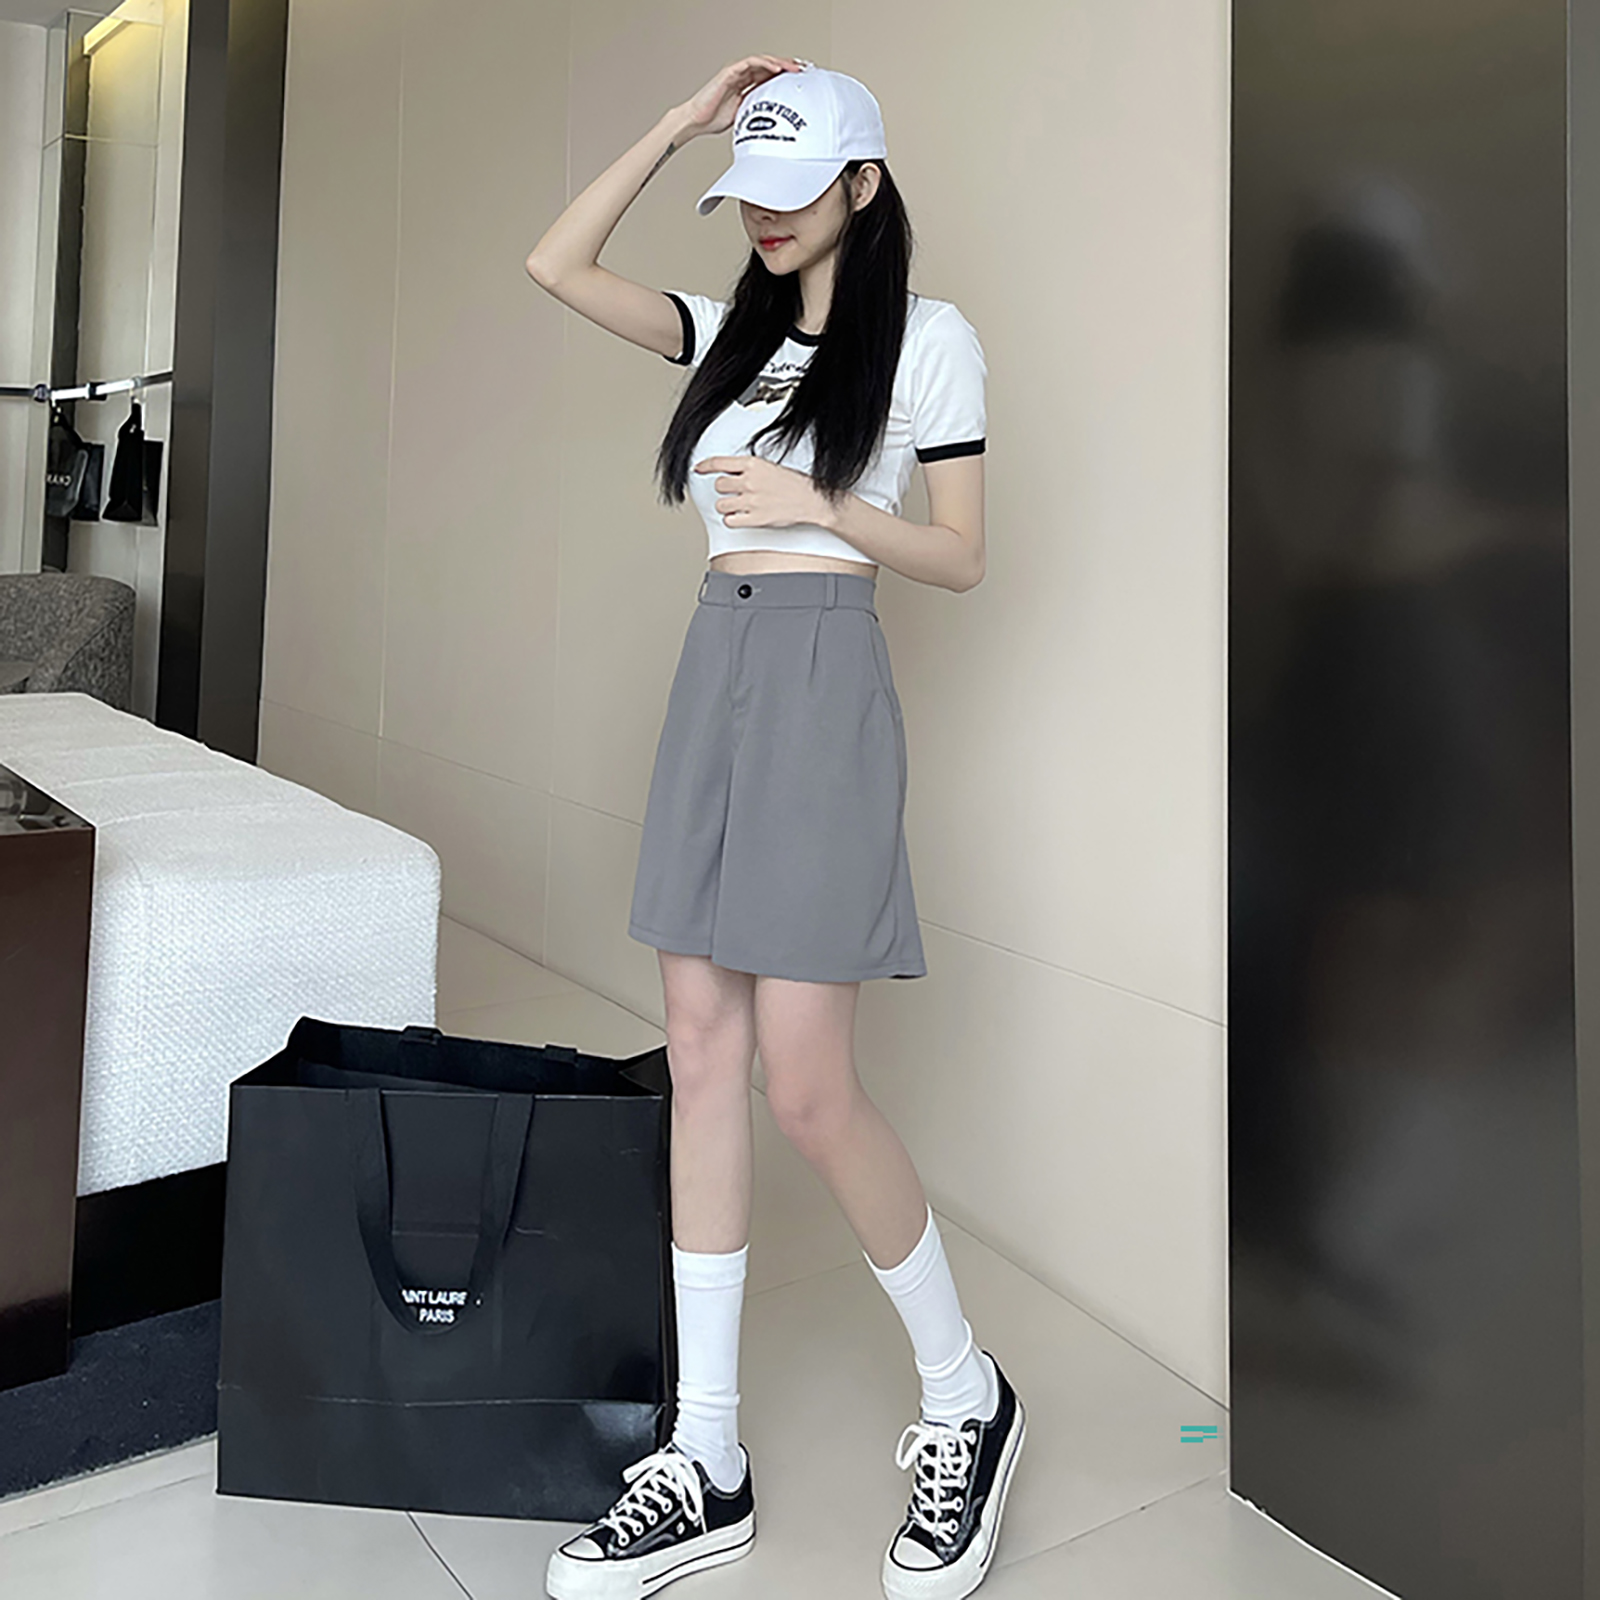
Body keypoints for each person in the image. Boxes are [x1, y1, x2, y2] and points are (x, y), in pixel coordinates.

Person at [525, 55, 1025, 1600]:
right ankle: (709, 1457)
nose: (764, 216)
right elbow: (555, 265)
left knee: (807, 1088)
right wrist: (682, 125)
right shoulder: (723, 333)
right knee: (700, 1055)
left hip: (823, 676)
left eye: (793, 190)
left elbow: (961, 555)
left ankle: (966, 1395)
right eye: (746, 191)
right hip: (716, 668)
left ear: (864, 187)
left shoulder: (931, 342)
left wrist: (824, 510)